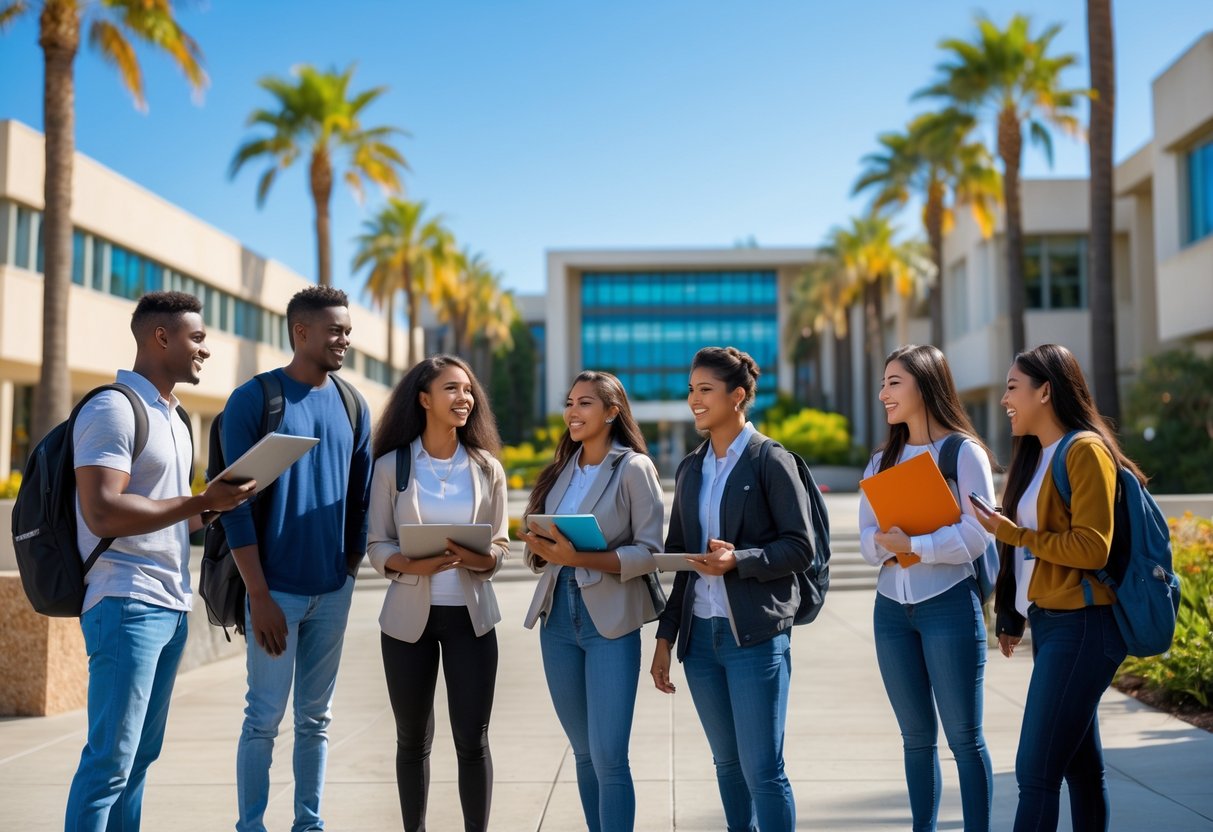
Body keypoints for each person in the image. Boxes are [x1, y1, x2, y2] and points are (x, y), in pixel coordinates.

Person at [65, 291, 256, 831]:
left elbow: (170, 515)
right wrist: (200, 501)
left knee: (138, 762)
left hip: (169, 605)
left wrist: (215, 506)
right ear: (161, 338)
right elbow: (102, 510)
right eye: (197, 338)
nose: (205, 350)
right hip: (125, 601)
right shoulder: (112, 408)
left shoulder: (173, 417)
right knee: (108, 763)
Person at [220, 286, 372, 832]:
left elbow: (361, 496)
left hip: (332, 589)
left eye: (348, 331)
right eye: (336, 330)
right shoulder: (254, 400)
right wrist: (257, 595)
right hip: (274, 591)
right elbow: (231, 506)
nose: (345, 340)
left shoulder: (354, 404)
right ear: (300, 331)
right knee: (263, 718)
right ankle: (251, 826)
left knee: (317, 720)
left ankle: (309, 825)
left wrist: (349, 569)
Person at [972, 343, 1137, 832]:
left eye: (1012, 388)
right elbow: (1029, 552)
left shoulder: (1084, 450)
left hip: (1084, 625)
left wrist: (1013, 533)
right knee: (1081, 769)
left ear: (1046, 391)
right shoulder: (1037, 456)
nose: (1005, 399)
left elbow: (1091, 548)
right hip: (1052, 622)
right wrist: (1013, 613)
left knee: (1035, 770)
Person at [649, 346, 812, 832]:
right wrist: (665, 638)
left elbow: (799, 547)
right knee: (727, 766)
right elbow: (680, 557)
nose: (693, 400)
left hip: (756, 640)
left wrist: (737, 559)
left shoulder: (770, 460)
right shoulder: (691, 468)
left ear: (737, 396)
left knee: (763, 771)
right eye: (691, 389)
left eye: (705, 390)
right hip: (701, 643)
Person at [857, 344, 997, 832]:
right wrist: (887, 546)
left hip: (949, 606)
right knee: (915, 737)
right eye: (883, 384)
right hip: (892, 611)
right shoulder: (882, 460)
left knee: (963, 736)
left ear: (926, 384)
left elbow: (979, 533)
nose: (883, 395)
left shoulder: (964, 452)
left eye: (894, 383)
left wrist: (915, 544)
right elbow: (866, 538)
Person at [366, 355, 508, 831]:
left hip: (472, 619)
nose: (463, 398)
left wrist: (481, 558)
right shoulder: (391, 466)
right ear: (424, 399)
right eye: (451, 389)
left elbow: (499, 546)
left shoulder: (487, 467)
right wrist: (410, 563)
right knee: (412, 740)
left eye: (467, 390)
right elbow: (377, 542)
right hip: (408, 622)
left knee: (473, 739)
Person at [520, 370, 664, 832]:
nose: (572, 412)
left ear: (611, 412)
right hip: (557, 618)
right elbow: (540, 550)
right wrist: (539, 545)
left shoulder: (633, 468)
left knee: (608, 756)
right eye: (569, 403)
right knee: (583, 752)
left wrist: (579, 554)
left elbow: (650, 553)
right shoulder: (561, 471)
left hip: (610, 623)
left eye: (585, 403)